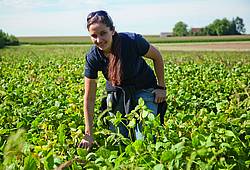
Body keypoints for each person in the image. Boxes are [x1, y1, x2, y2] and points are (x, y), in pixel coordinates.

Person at [78, 10, 166, 150]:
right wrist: (88, 133)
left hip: (145, 88)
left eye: (103, 33)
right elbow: (89, 98)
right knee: (118, 141)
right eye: (94, 36)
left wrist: (161, 88)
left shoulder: (132, 41)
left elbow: (157, 56)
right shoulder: (93, 57)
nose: (99, 40)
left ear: (112, 30)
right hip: (118, 93)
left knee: (144, 139)